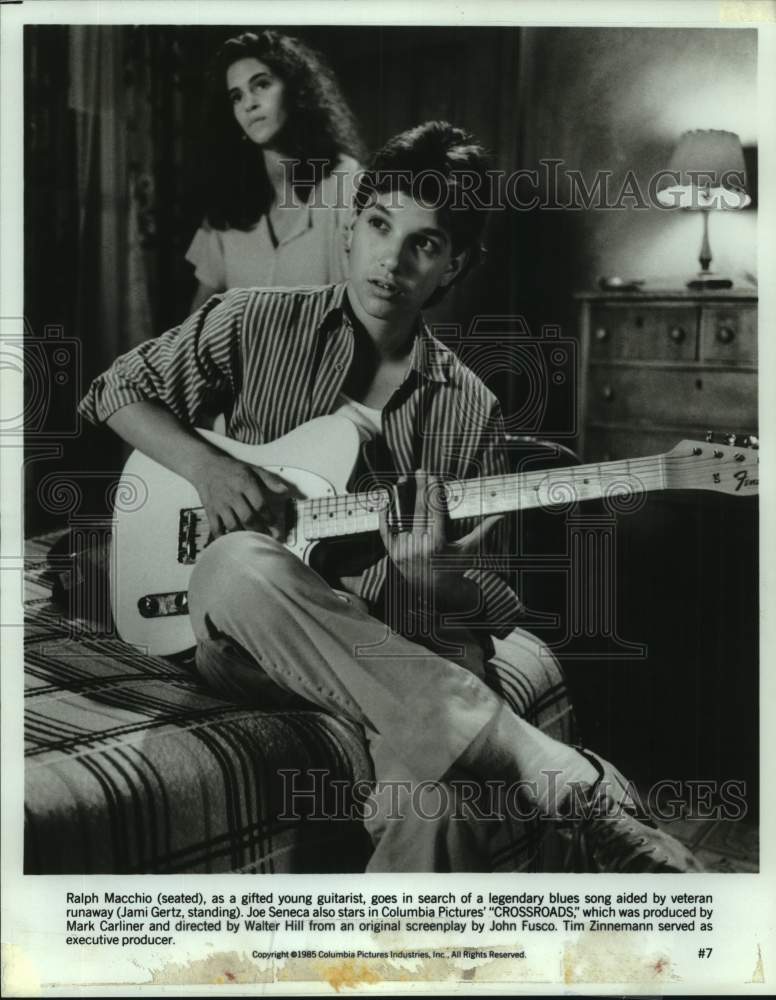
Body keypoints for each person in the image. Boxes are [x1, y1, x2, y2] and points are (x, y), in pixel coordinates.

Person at [79, 121, 701, 874]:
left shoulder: (471, 409)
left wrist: (428, 576)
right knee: (241, 561)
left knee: (446, 806)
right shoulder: (254, 320)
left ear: (453, 267)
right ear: (352, 229)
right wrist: (209, 470)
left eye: (425, 244)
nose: (392, 259)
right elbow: (113, 392)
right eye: (379, 225)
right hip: (239, 625)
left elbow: (482, 608)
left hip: (392, 647)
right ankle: (556, 773)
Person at [186, 30, 364, 312]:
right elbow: (195, 326)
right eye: (236, 96)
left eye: (261, 85)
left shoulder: (347, 183)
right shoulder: (230, 200)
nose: (249, 104)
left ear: (295, 90)